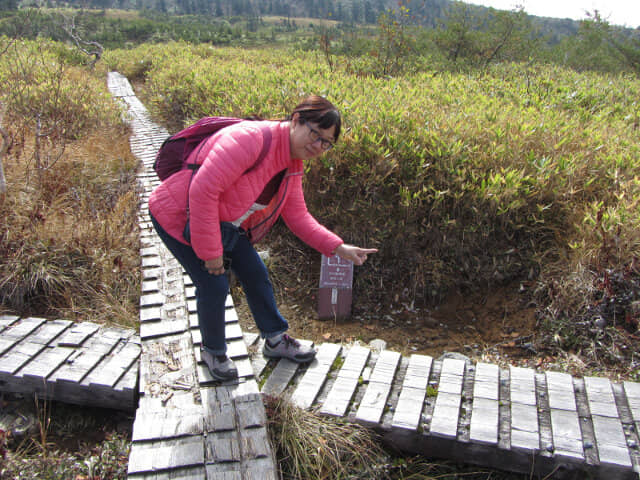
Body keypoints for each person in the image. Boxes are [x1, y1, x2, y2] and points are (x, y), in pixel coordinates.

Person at [149, 95, 377, 381]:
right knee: (214, 284)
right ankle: (213, 351)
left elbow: (297, 216)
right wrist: (211, 253)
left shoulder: (292, 163)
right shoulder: (250, 139)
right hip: (179, 215)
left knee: (256, 273)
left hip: (224, 223)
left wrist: (338, 247)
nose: (318, 146)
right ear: (296, 120)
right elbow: (202, 191)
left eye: (326, 143)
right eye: (315, 134)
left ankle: (275, 339)